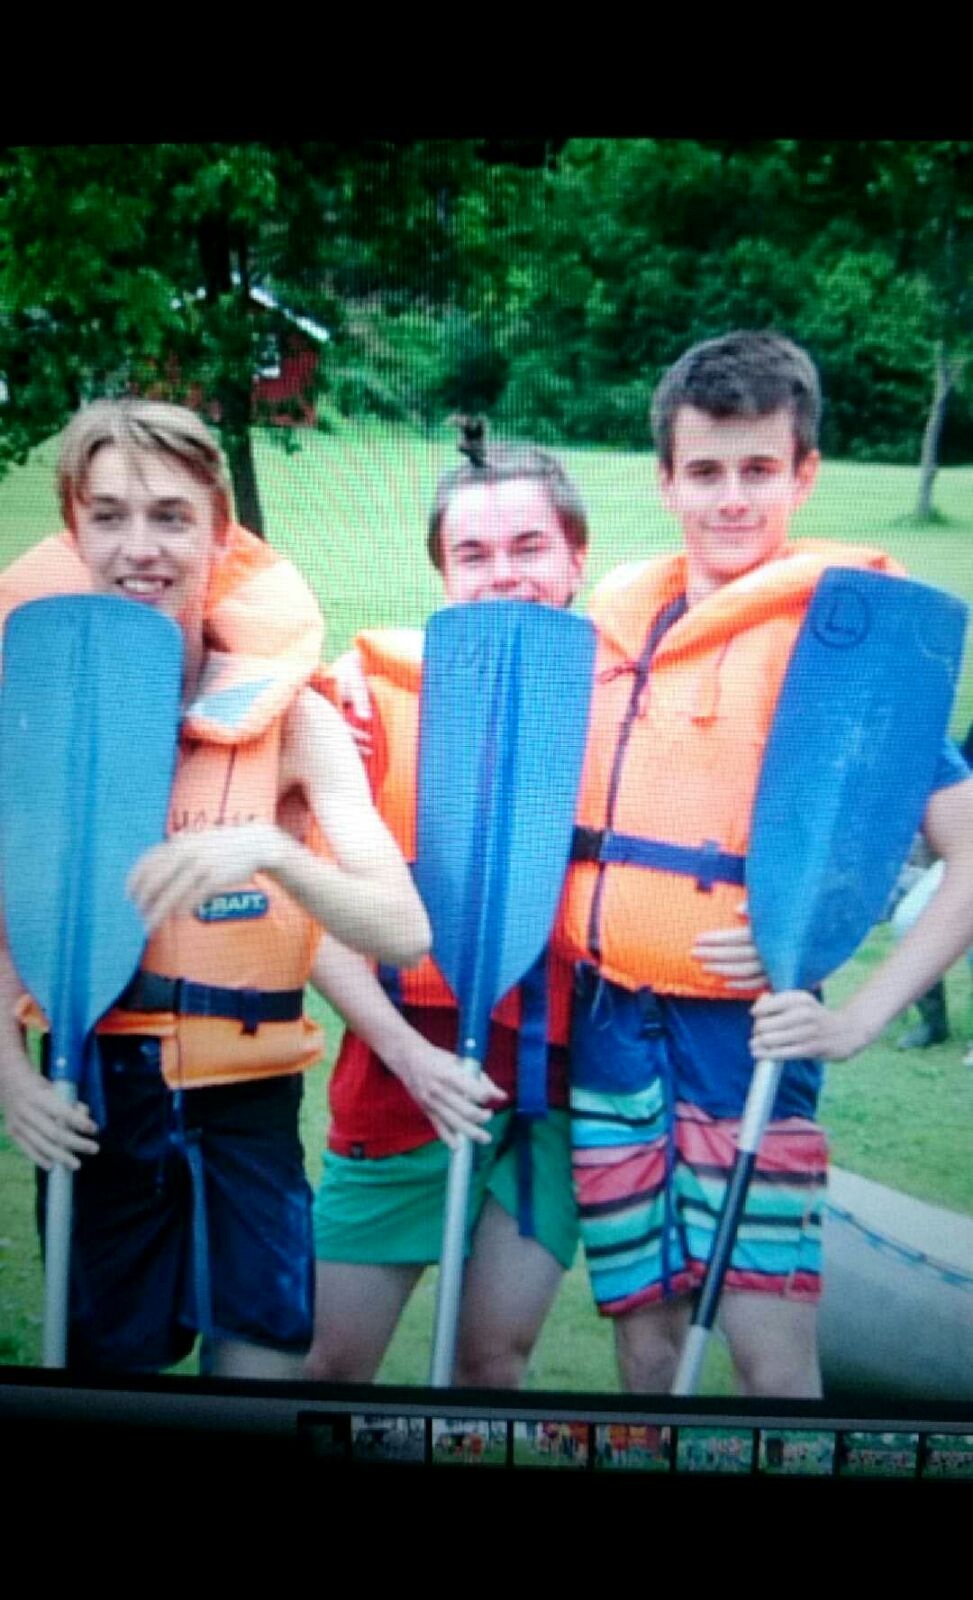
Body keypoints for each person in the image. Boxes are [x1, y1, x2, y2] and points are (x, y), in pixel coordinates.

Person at [304, 421, 768, 1387]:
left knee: (491, 1361)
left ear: (575, 558)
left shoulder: (627, 706)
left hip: (550, 1085)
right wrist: (411, 1058)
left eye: (529, 547)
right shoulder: (370, 702)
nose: (504, 575)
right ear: (443, 574)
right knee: (332, 1364)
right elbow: (314, 923)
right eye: (473, 555)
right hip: (402, 1073)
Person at [554, 330, 973, 1398]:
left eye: (758, 470)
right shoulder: (615, 631)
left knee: (769, 1353)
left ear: (803, 475)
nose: (731, 498)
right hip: (608, 1031)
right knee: (646, 1341)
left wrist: (859, 1016)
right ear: (666, 481)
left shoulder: (845, 647)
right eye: (705, 472)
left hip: (747, 1041)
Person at [0, 398, 430, 1379]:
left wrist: (274, 853)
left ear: (220, 535)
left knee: (255, 1398)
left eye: (170, 517)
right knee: (103, 1399)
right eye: (109, 516)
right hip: (92, 1099)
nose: (138, 548)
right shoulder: (34, 715)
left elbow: (402, 932)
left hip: (248, 1110)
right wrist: (12, 1078)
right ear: (74, 532)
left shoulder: (296, 722)